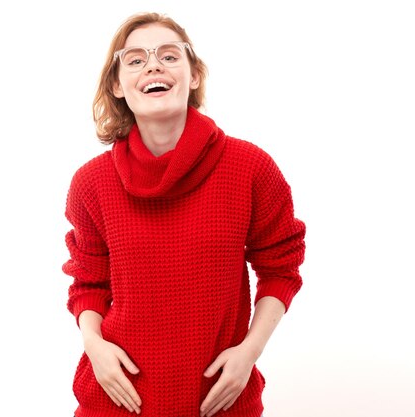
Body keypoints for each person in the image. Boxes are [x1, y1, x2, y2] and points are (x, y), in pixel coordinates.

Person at [62, 12, 306, 417]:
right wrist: (95, 345)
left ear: (194, 77)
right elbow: (88, 280)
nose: (153, 64)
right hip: (116, 398)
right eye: (136, 59)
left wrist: (249, 352)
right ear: (118, 85)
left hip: (217, 401)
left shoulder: (250, 168)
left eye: (170, 56)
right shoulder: (91, 183)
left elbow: (281, 267)